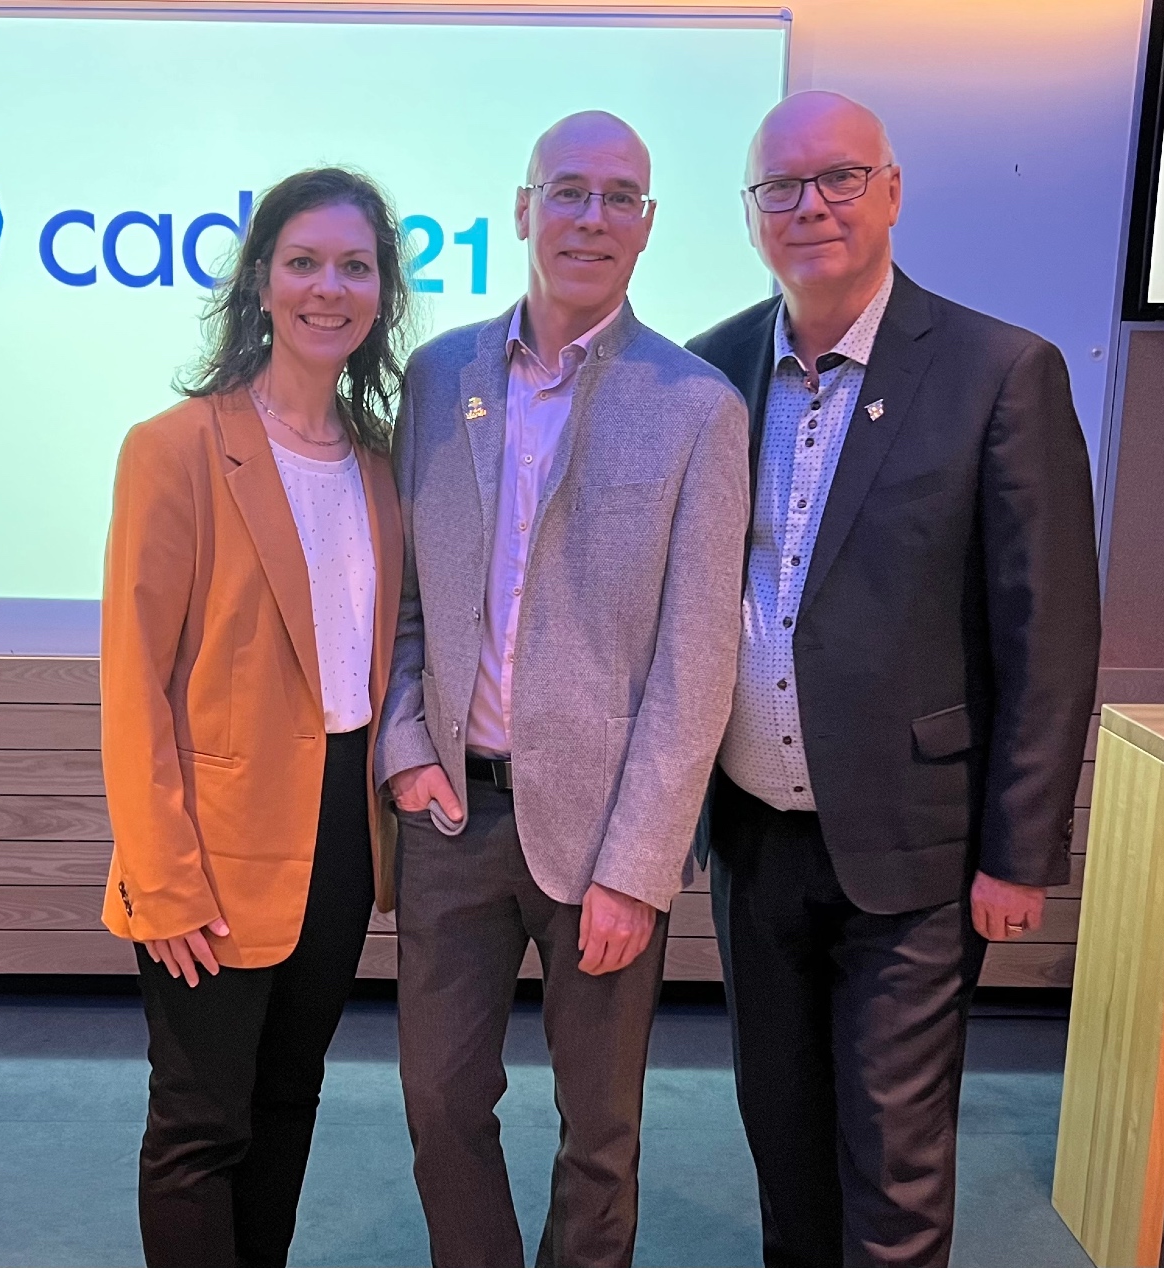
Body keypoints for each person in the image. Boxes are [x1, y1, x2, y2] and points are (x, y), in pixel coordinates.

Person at [686, 91, 1101, 1267]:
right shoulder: (709, 371)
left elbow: (1047, 631)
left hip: (916, 846)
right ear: (749, 212)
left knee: (893, 1155)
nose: (809, 206)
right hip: (753, 840)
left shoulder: (997, 370)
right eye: (779, 186)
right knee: (782, 1137)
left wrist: (1017, 852)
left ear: (891, 191)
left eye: (838, 177)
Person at [374, 111, 750, 1268]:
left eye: (618, 197)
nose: (591, 217)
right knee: (440, 1102)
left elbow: (696, 662)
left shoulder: (697, 406)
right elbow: (406, 597)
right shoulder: (436, 378)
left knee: (599, 1131)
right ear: (521, 208)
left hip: (605, 837)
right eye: (568, 191)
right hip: (451, 817)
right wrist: (404, 747)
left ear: (647, 224)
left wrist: (639, 867)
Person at [99, 167, 413, 1268]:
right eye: (304, 262)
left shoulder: (381, 464)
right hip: (212, 842)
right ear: (261, 283)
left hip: (343, 833)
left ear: (382, 293)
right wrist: (161, 877)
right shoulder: (174, 447)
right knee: (200, 1124)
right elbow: (133, 682)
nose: (329, 287)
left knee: (288, 1098)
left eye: (355, 266)